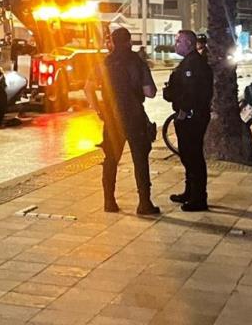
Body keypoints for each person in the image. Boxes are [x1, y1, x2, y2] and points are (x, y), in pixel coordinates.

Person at [85, 27, 160, 215]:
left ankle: (109, 202)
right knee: (140, 160)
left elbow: (88, 88)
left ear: (113, 43)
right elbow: (149, 92)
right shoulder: (137, 62)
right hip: (134, 117)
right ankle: (144, 203)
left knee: (110, 159)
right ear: (129, 42)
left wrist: (99, 109)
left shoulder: (104, 63)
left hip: (112, 119)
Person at [163, 29, 213, 211]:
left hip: (192, 117)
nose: (176, 44)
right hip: (189, 115)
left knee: (193, 156)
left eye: (179, 41)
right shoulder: (189, 63)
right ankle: (190, 192)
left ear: (189, 44)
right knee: (187, 155)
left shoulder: (194, 65)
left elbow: (192, 93)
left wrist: (183, 108)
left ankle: (199, 198)